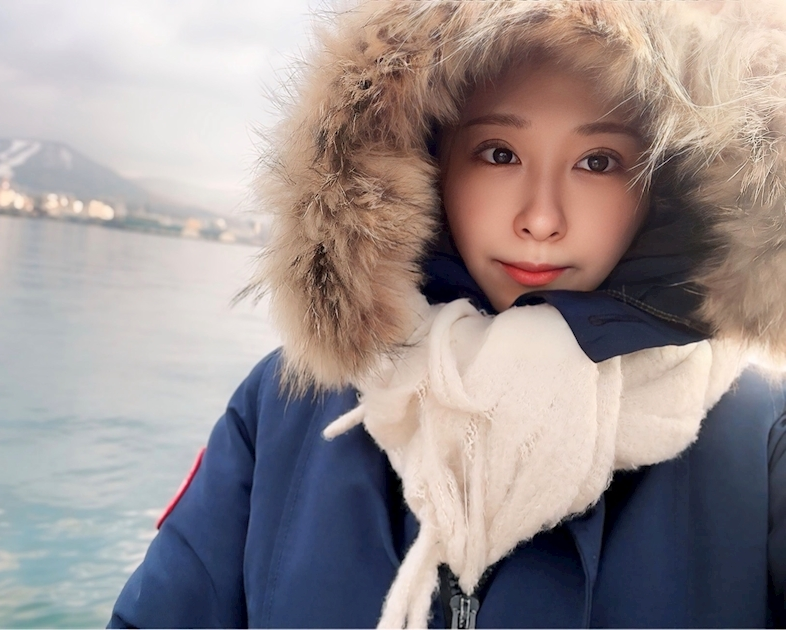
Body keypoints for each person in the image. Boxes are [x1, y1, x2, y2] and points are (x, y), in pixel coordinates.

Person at [109, 1, 786, 627]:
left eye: (598, 161)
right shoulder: (286, 407)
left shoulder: (760, 443)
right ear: (423, 161)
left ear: (667, 188)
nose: (541, 218)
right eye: (499, 154)